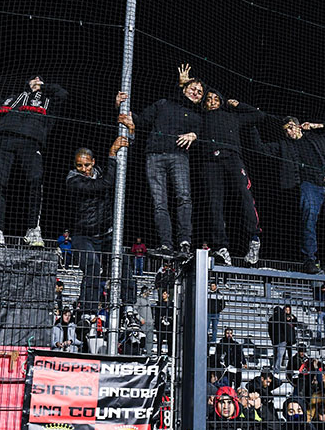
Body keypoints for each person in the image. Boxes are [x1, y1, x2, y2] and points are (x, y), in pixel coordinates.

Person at [248, 117, 325, 275]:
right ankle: (309, 259)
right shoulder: (284, 145)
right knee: (309, 213)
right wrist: (252, 122)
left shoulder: (317, 139)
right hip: (309, 184)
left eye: (291, 127)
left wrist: (317, 125)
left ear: (299, 126)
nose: (289, 131)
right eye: (286, 129)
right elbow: (260, 148)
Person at [116, 68, 204, 260]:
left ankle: (184, 244)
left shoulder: (197, 117)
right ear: (183, 90)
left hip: (179, 157)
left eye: (200, 92)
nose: (196, 92)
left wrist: (194, 135)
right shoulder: (163, 104)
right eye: (193, 88)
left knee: (183, 197)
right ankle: (165, 244)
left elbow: (204, 137)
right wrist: (122, 107)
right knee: (159, 203)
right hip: (154, 156)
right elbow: (141, 120)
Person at [184, 65, 264, 265]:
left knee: (245, 195)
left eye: (215, 99)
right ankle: (221, 248)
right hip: (210, 161)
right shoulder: (199, 117)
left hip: (232, 158)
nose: (212, 101)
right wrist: (184, 83)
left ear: (220, 101)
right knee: (214, 203)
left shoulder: (232, 116)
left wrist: (237, 105)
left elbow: (258, 115)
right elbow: (183, 104)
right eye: (208, 99)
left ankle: (254, 239)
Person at [0, 72, 68, 246]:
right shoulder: (14, 99)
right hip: (4, 140)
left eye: (40, 79)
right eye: (33, 79)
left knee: (36, 182)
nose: (37, 80)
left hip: (32, 143)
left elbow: (62, 93)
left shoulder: (49, 101)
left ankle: (33, 230)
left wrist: (42, 87)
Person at [66, 136, 129, 313]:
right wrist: (112, 154)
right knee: (92, 266)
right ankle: (88, 309)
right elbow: (105, 184)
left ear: (93, 162)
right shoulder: (73, 180)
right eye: (80, 165)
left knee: (123, 263)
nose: (84, 169)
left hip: (106, 233)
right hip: (83, 235)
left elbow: (113, 178)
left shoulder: (101, 172)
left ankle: (129, 306)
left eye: (87, 165)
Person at [268, 305, 297, 372]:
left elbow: (269, 330)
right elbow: (285, 328)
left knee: (278, 354)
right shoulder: (282, 318)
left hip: (277, 339)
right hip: (282, 339)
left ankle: (277, 368)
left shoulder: (272, 319)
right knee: (279, 355)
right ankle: (277, 368)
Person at [154, 289, 174, 355]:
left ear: (168, 295)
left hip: (169, 326)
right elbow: (157, 315)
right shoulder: (159, 304)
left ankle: (170, 354)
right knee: (159, 341)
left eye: (165, 294)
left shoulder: (172, 304)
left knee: (170, 341)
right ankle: (159, 354)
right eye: (163, 294)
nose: (163, 295)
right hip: (161, 326)